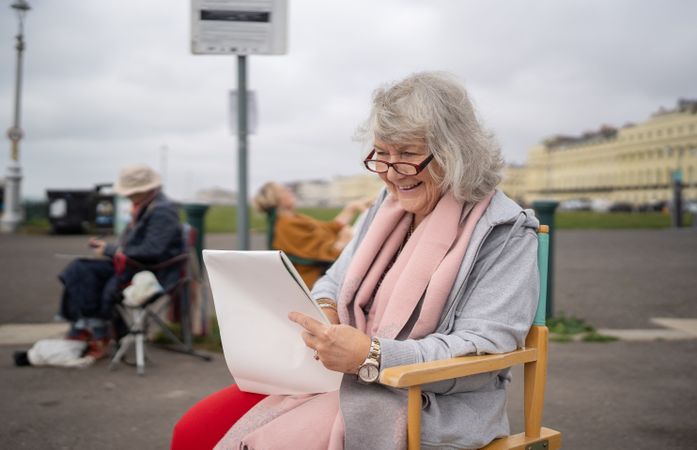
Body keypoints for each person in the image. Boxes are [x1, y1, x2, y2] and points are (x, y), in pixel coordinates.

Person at [171, 72, 540, 450]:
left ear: (455, 150)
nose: (392, 173)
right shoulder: (388, 206)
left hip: (427, 401)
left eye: (408, 155)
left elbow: (485, 348)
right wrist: (327, 309)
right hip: (333, 376)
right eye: (382, 154)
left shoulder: (506, 231)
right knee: (192, 432)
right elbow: (333, 280)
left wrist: (372, 355)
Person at [58, 164, 184, 359]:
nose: (127, 195)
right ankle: (90, 326)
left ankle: (93, 329)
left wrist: (110, 250)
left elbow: (152, 251)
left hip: (150, 272)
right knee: (79, 270)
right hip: (135, 265)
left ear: (143, 190)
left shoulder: (161, 211)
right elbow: (138, 246)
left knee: (84, 272)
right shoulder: (146, 206)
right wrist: (110, 250)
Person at [253, 182, 371, 288]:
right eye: (284, 190)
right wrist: (343, 242)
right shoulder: (286, 226)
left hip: (325, 276)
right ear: (276, 199)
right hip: (316, 284)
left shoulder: (294, 219)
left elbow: (329, 228)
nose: (289, 191)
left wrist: (351, 208)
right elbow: (324, 255)